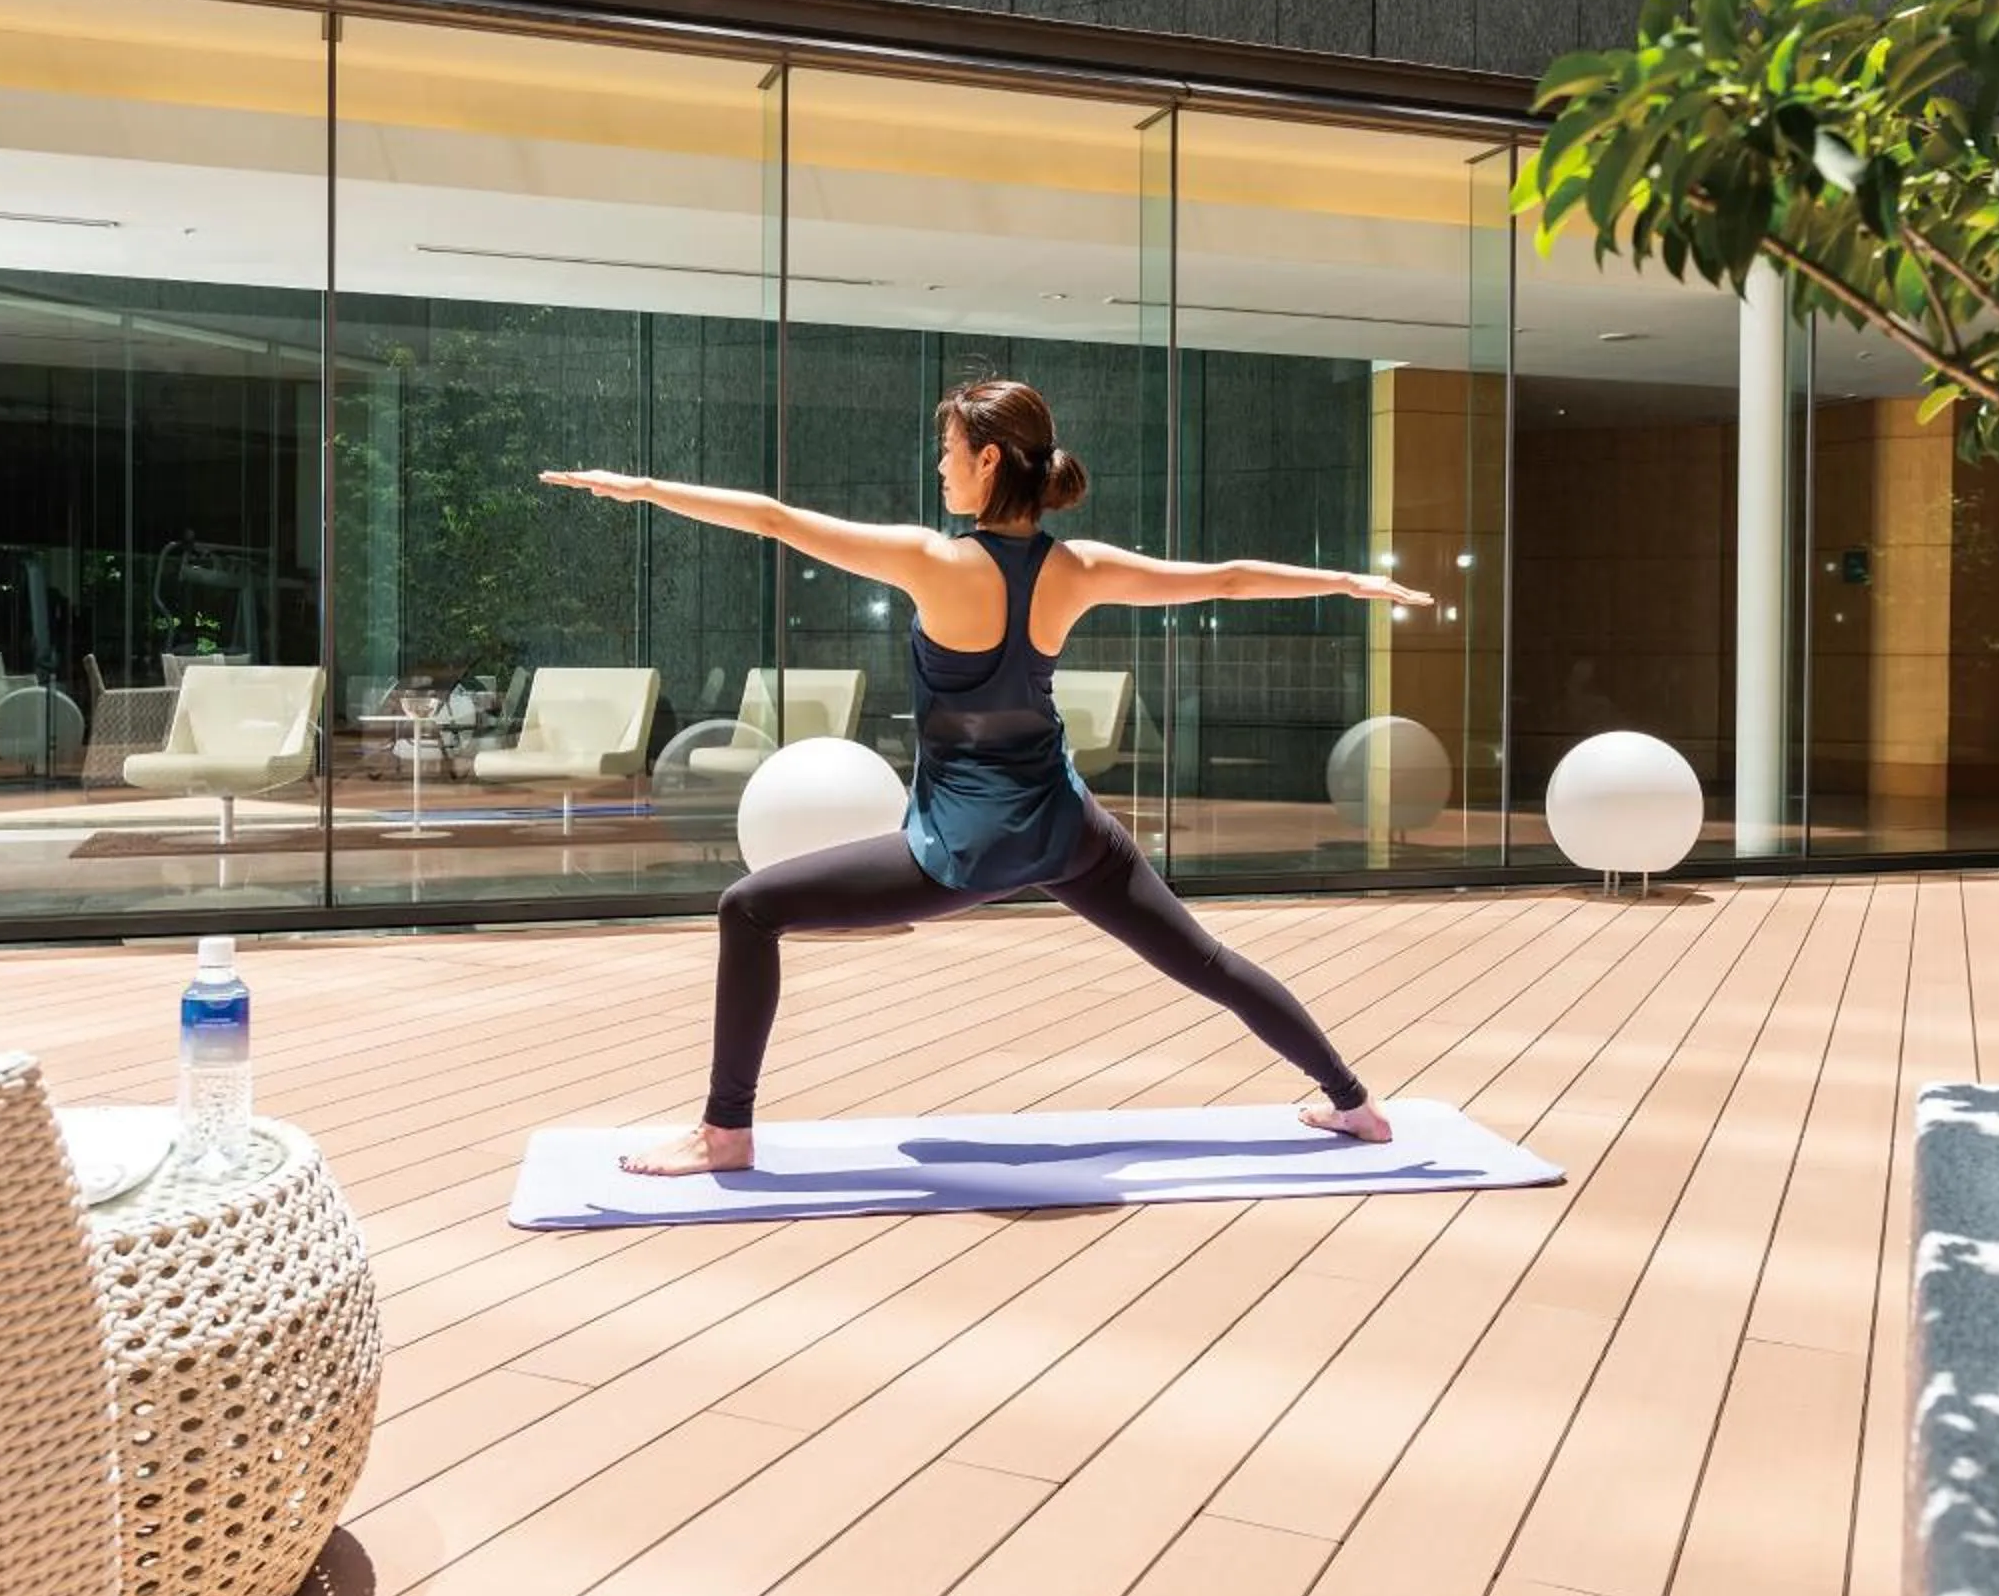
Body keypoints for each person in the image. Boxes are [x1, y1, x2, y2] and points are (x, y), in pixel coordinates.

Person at [542, 377, 1434, 1177]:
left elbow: (774, 518)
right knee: (1206, 962)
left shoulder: (932, 563)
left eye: (948, 451)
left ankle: (725, 1133)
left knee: (748, 907)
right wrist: (1350, 582)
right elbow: (1227, 581)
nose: (939, 467)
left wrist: (644, 488)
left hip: (961, 851)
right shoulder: (1077, 569)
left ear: (989, 458)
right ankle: (1355, 1104)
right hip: (1067, 831)